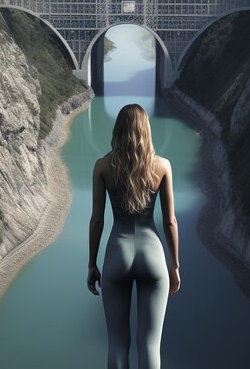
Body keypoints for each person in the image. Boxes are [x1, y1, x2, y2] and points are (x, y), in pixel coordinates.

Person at [87, 103, 180, 369]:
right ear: (146, 131)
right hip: (153, 255)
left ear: (117, 131)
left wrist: (92, 264)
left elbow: (97, 221)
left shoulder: (102, 167)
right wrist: (174, 265)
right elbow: (170, 221)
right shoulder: (162, 166)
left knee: (117, 343)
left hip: (117, 253)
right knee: (150, 345)